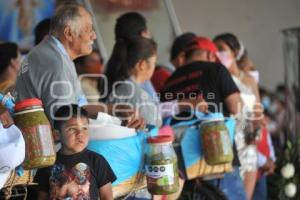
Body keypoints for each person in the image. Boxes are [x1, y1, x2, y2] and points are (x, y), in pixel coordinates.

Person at [14, 3, 143, 128]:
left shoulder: (56, 53)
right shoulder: (56, 63)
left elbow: (79, 107)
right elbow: (65, 123)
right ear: (69, 33)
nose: (94, 35)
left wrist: (115, 109)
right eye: (89, 29)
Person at [161, 36, 246, 200]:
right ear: (210, 55)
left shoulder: (169, 81)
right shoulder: (216, 69)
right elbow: (237, 108)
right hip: (217, 158)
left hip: (185, 166)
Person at [214, 33, 264, 200]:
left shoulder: (249, 80)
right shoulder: (218, 78)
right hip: (228, 143)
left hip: (248, 143)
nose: (217, 54)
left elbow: (258, 114)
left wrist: (256, 134)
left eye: (221, 49)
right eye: (215, 50)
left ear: (234, 52)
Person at [34, 104, 116, 200]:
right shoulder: (47, 163)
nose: (80, 134)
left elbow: (107, 196)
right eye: (72, 129)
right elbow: (42, 197)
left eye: (84, 128)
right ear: (57, 134)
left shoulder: (97, 161)